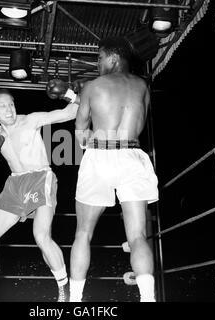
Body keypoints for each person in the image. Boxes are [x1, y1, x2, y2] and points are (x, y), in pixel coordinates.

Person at [69, 37, 159, 302]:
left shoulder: (92, 86)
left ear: (113, 58)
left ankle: (74, 302)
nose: (97, 64)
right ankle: (148, 299)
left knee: (83, 233)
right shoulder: (142, 86)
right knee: (137, 236)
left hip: (99, 155)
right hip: (132, 156)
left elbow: (80, 134)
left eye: (99, 58)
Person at [0, 89, 79, 302]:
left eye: (11, 104)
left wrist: (71, 94)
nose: (9, 110)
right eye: (3, 106)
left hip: (40, 177)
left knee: (41, 236)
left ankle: (64, 289)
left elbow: (71, 113)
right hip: (15, 183)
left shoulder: (31, 120)